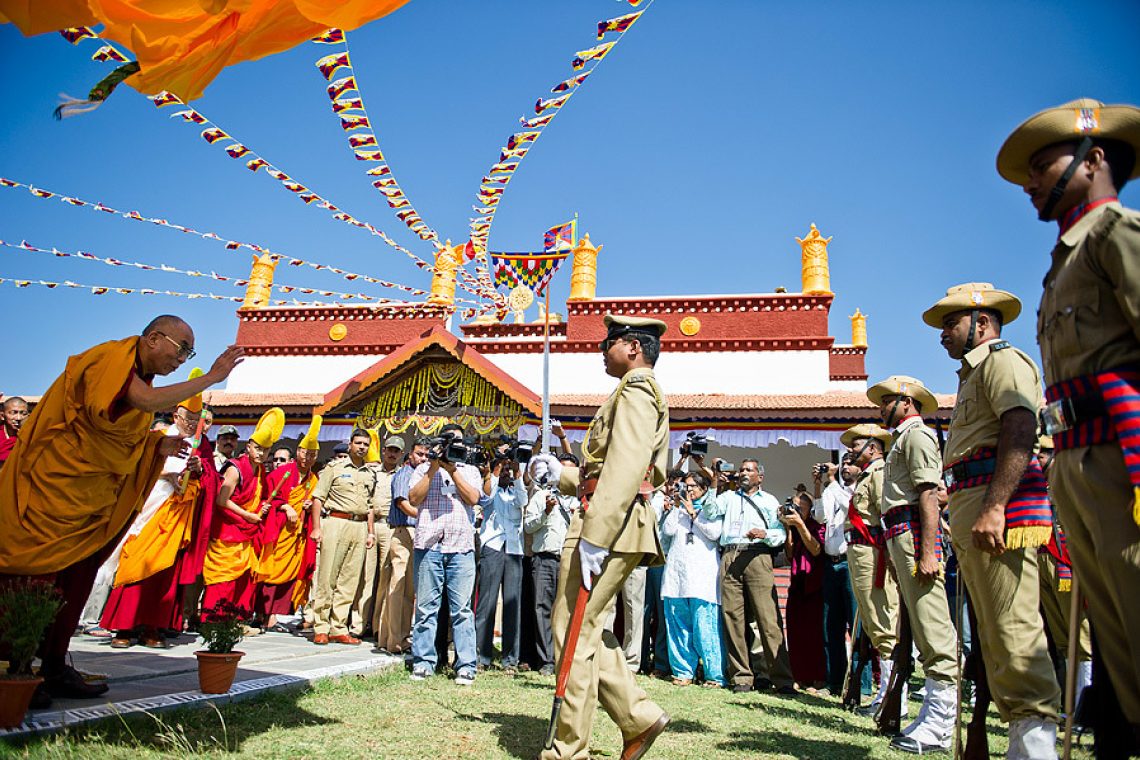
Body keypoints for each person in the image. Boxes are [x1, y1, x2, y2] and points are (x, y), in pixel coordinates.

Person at [0, 315, 243, 706]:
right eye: (182, 349)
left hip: (85, 502)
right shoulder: (109, 359)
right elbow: (140, 403)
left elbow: (119, 431)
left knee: (73, 580)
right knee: (33, 579)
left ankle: (53, 664)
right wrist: (212, 376)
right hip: (51, 492)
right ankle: (16, 668)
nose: (182, 359)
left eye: (189, 353)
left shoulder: (140, 380)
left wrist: (154, 447)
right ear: (153, 338)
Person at [997, 98, 1140, 749]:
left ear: (1095, 159)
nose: (1030, 182)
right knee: (1118, 659)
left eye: (1042, 165)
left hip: (1123, 461)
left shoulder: (1117, 236)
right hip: (1078, 469)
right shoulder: (1062, 266)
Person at [925, 282, 1062, 756]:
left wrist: (996, 506)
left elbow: (1020, 426)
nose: (942, 335)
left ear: (980, 323)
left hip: (993, 503)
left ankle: (1035, 739)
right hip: (973, 501)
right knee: (992, 633)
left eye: (951, 324)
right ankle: (1023, 735)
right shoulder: (973, 372)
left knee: (1012, 628)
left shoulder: (1002, 361)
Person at [528, 313, 672, 760]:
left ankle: (568, 750)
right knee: (585, 627)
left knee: (574, 630)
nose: (601, 351)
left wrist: (596, 535)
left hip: (609, 523)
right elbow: (607, 466)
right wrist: (562, 473)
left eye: (607, 342)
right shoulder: (631, 390)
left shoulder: (636, 389)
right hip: (608, 516)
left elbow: (629, 466)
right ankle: (638, 716)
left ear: (632, 345)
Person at [868, 375, 959, 753]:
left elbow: (927, 494)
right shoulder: (903, 438)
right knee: (920, 626)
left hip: (913, 531)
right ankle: (932, 713)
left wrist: (927, 551)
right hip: (899, 532)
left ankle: (942, 719)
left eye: (886, 401)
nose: (881, 409)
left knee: (932, 623)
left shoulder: (917, 435)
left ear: (906, 401)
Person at [102, 385, 220, 648]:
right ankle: (123, 626)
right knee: (135, 564)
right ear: (175, 416)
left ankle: (151, 626)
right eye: (186, 418)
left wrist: (201, 470)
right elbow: (134, 468)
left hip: (176, 515)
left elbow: (213, 479)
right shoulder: (158, 437)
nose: (191, 424)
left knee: (164, 572)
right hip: (149, 508)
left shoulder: (201, 446)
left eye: (195, 419)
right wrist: (164, 474)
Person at [707, 459, 795, 694]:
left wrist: (764, 533)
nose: (744, 473)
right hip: (731, 554)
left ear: (760, 477)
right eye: (742, 469)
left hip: (758, 555)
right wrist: (715, 481)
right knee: (732, 618)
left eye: (749, 470)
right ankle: (741, 678)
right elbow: (709, 510)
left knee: (768, 618)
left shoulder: (769, 501)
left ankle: (782, 678)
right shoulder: (727, 498)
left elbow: (780, 533)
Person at [408, 423, 482, 684]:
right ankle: (424, 662)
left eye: (458, 442)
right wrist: (435, 467)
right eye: (449, 442)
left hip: (461, 547)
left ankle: (466, 665)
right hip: (429, 546)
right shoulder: (422, 469)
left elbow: (474, 498)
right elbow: (414, 498)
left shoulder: (470, 470)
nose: (454, 447)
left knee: (462, 610)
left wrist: (453, 470)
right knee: (426, 608)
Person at [838, 423, 901, 717]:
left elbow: (886, 516)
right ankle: (884, 695)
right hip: (859, 550)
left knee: (881, 622)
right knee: (869, 620)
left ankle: (890, 697)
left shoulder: (878, 474)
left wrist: (889, 559)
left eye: (857, 445)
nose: (851, 451)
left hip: (872, 552)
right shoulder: (865, 477)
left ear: (873, 448)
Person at [202, 407, 284, 620]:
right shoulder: (235, 468)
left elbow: (255, 499)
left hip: (246, 532)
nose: (261, 454)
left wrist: (259, 510)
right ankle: (214, 620)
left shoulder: (259, 471)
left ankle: (235, 620)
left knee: (242, 580)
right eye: (257, 448)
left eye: (266, 450)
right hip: (228, 530)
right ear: (248, 447)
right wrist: (248, 515)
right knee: (224, 579)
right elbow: (222, 500)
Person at [1035, 436, 1092, 707]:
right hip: (1042, 560)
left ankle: (1084, 703)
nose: (1036, 460)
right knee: (1061, 637)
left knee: (1080, 636)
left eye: (1041, 456)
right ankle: (1070, 702)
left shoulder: (1070, 480)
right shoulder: (1040, 485)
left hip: (1065, 562)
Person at [309, 428, 379, 645]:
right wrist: (317, 527)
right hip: (335, 522)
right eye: (358, 443)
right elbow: (318, 498)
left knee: (349, 579)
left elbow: (369, 506)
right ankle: (321, 625)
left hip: (358, 526)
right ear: (350, 444)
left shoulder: (370, 474)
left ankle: (338, 626)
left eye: (365, 445)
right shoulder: (334, 468)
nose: (362, 447)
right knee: (327, 576)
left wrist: (370, 532)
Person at [255, 416, 321, 632]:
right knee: (270, 572)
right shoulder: (281, 473)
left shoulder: (314, 480)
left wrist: (311, 505)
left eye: (312, 454)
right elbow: (266, 498)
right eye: (304, 452)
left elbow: (317, 503)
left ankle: (277, 617)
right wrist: (285, 506)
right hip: (278, 533)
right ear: (297, 453)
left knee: (291, 575)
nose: (307, 457)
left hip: (297, 536)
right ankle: (263, 615)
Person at [660, 471, 725, 688]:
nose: (688, 490)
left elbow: (715, 533)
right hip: (677, 576)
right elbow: (668, 530)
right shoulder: (678, 511)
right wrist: (677, 507)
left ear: (704, 489)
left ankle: (713, 674)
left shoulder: (711, 510)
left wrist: (694, 514)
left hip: (702, 578)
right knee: (678, 626)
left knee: (705, 627)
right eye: (685, 486)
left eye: (692, 487)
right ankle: (682, 671)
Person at [524, 452, 580, 676]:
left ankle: (566, 658)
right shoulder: (541, 495)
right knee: (543, 609)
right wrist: (546, 512)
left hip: (571, 559)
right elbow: (528, 527)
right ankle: (547, 659)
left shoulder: (579, 499)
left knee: (568, 611)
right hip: (545, 558)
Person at [475, 454, 527, 671]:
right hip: (493, 546)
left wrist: (518, 476)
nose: (506, 472)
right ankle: (481, 657)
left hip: (514, 549)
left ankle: (510, 660)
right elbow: (485, 497)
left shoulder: (517, 490)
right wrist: (492, 474)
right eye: (502, 469)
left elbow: (523, 501)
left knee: (512, 604)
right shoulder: (491, 488)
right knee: (486, 602)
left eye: (508, 469)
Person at [378, 438, 428, 655]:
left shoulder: (424, 476)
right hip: (404, 531)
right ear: (410, 455)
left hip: (417, 532)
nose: (423, 459)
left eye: (426, 455)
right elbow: (402, 503)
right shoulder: (405, 474)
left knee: (408, 590)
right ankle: (394, 641)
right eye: (419, 454)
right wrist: (427, 517)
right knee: (398, 587)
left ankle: (400, 638)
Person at [811, 459, 856, 696]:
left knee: (855, 625)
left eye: (850, 464)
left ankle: (861, 684)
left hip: (851, 563)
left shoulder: (858, 490)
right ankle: (835, 681)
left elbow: (852, 507)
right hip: (831, 563)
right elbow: (820, 517)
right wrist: (819, 487)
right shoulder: (831, 490)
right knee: (832, 627)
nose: (845, 467)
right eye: (843, 463)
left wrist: (832, 480)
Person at [352, 432, 400, 639]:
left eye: (396, 451)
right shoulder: (373, 472)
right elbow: (368, 502)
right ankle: (358, 624)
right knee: (366, 576)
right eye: (390, 449)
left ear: (401, 454)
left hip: (390, 527)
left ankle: (378, 626)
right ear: (384, 450)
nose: (392, 454)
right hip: (372, 525)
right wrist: (370, 530)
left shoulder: (403, 474)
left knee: (385, 578)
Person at [0, 395, 29, 466]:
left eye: (23, 413)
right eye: (13, 413)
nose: (18, 418)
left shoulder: (31, 437)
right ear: (2, 416)